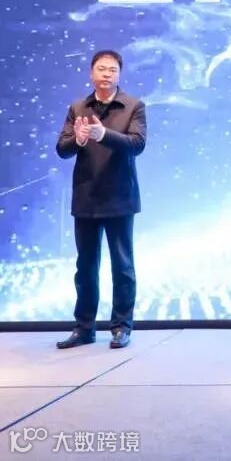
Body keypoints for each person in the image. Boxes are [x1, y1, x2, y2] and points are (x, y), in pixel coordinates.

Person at [55, 50, 146, 350]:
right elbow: (62, 149)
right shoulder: (78, 107)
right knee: (85, 267)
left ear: (119, 74)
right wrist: (79, 139)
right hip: (87, 197)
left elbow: (137, 144)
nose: (107, 74)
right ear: (91, 73)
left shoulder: (133, 106)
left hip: (120, 197)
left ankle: (121, 327)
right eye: (101, 69)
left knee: (123, 267)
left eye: (112, 70)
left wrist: (103, 133)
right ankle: (84, 328)